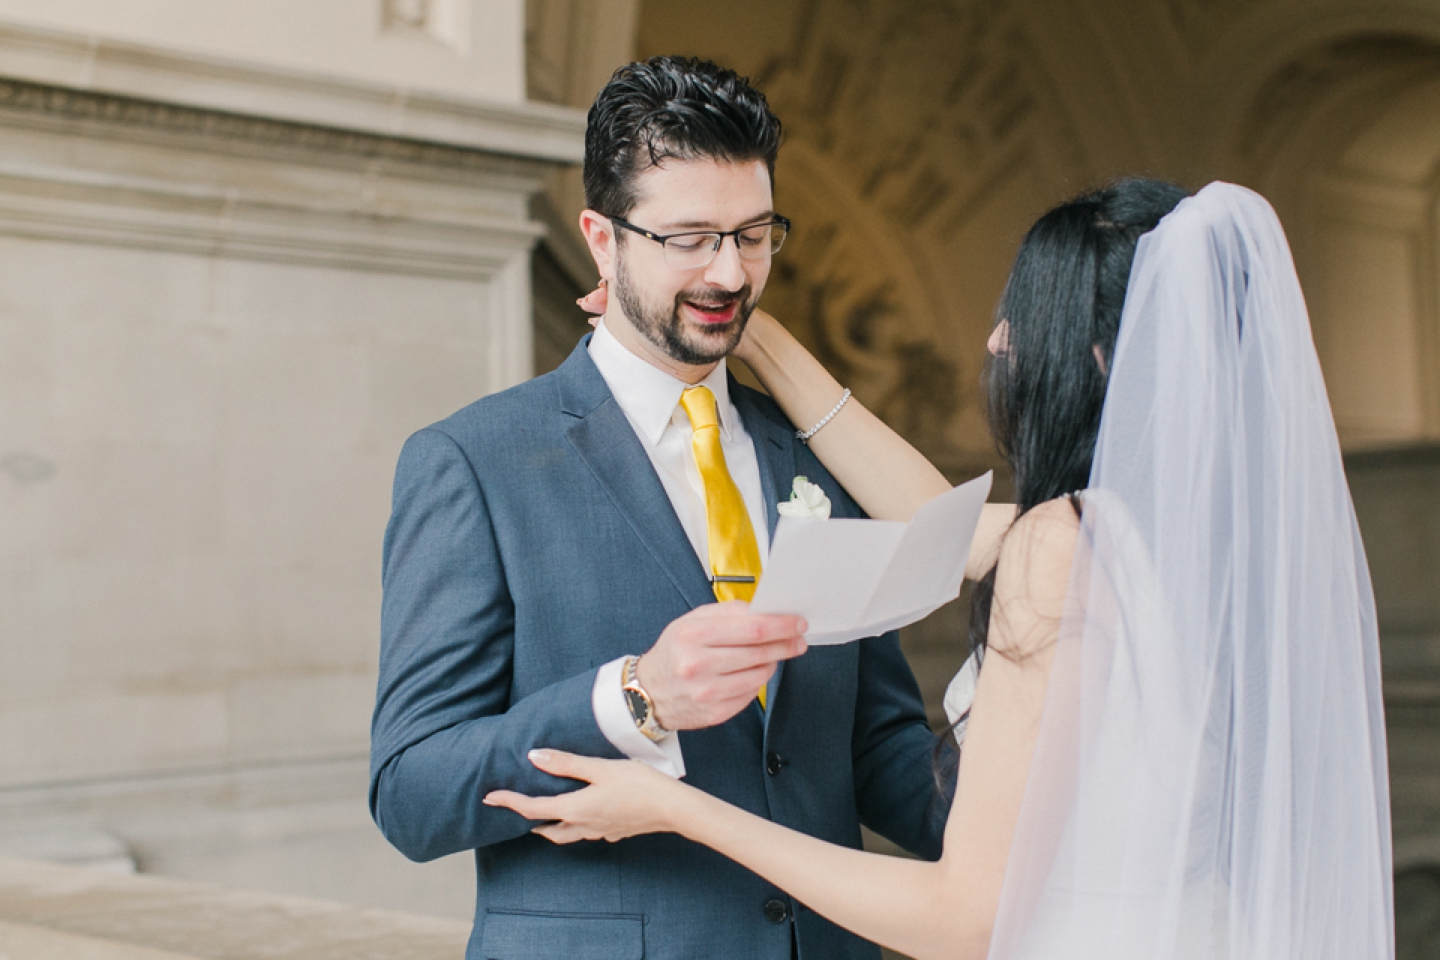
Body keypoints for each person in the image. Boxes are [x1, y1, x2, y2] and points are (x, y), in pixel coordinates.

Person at [486, 180, 1395, 960]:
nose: (998, 343)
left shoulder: (1064, 545)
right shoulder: (1207, 550)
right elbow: (938, 527)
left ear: (1104, 357)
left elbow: (961, 917)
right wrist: (745, 332)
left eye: (1025, 318)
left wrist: (674, 808)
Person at [370, 56, 979, 960]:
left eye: (755, 233)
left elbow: (877, 746)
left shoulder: (816, 457)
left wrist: (1031, 807)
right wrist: (634, 698)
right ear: (602, 239)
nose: (730, 273)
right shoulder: (474, 462)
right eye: (689, 238)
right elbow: (413, 794)